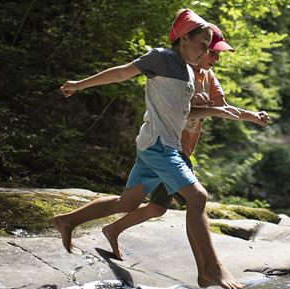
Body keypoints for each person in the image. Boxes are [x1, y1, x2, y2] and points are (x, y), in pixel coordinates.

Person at [53, 8, 244, 289]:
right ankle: (210, 269)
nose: (205, 52)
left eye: (207, 47)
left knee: (127, 204)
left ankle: (68, 220)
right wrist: (80, 84)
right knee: (198, 197)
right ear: (183, 37)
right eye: (202, 45)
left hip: (154, 147)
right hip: (159, 147)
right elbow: (122, 73)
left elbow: (186, 111)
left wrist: (232, 112)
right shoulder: (162, 58)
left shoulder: (188, 72)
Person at [102, 24, 271, 261]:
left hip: (180, 150)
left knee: (156, 207)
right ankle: (209, 268)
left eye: (216, 53)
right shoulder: (175, 70)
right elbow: (181, 110)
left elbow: (221, 108)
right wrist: (197, 102)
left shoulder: (208, 76)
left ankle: (111, 229)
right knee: (195, 200)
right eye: (211, 52)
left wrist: (251, 116)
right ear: (196, 50)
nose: (215, 58)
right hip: (168, 149)